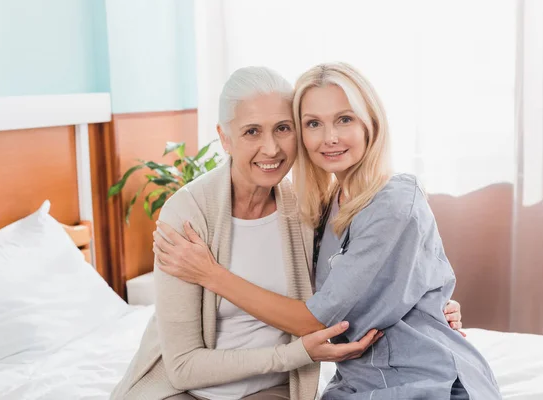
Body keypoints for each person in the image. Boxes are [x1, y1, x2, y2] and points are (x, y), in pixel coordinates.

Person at [155, 63, 494, 399]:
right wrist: (428, 299)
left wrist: (212, 275)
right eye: (314, 123)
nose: (329, 137)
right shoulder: (319, 206)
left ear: (370, 124)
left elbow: (314, 319)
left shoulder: (388, 202)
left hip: (421, 380)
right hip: (356, 382)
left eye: (344, 119)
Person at [111, 66, 385, 400]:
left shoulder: (307, 207)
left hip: (271, 388)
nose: (271, 149)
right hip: (182, 391)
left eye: (283, 128)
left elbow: (355, 281)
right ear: (224, 137)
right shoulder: (188, 213)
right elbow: (182, 367)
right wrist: (295, 355)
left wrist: (428, 303)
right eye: (252, 131)